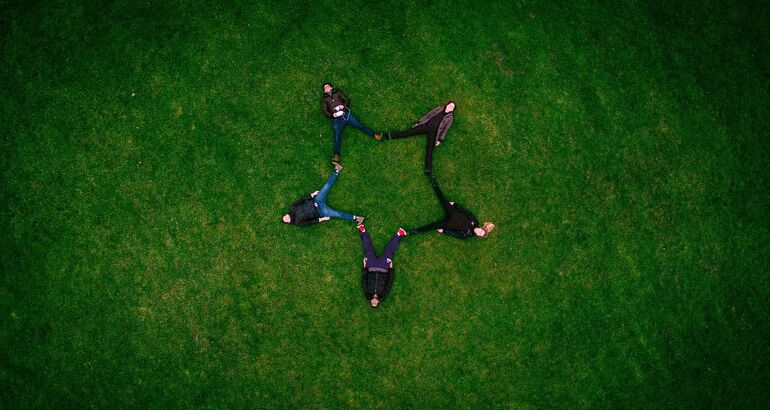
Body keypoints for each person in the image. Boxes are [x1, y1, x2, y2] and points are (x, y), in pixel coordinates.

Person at [408, 175, 495, 239]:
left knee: (433, 226)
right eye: (481, 231)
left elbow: (455, 234)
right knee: (442, 199)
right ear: (481, 228)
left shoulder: (467, 235)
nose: (478, 232)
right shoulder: (475, 221)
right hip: (453, 212)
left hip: (449, 224)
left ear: (478, 235)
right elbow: (466, 211)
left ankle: (415, 231)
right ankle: (433, 182)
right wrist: (455, 205)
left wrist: (444, 231)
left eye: (479, 234)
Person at [382, 101, 456, 175]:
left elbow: (445, 129)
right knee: (408, 133)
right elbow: (428, 115)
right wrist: (419, 122)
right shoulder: (438, 108)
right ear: (447, 104)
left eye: (452, 107)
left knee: (429, 150)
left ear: (452, 110)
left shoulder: (450, 118)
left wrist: (440, 139)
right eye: (450, 105)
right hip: (425, 126)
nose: (450, 107)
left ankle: (428, 169)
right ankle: (390, 135)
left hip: (434, 133)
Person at [282, 163, 364, 226]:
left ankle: (337, 170)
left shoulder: (293, 208)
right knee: (337, 214)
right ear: (288, 222)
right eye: (285, 220)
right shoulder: (298, 222)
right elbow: (311, 222)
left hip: (316, 200)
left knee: (326, 187)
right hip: (321, 211)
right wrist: (323, 219)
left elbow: (302, 200)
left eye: (284, 216)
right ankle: (357, 218)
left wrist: (312, 194)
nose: (286, 217)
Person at [321, 83, 382, 165]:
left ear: (331, 87)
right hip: (336, 119)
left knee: (359, 125)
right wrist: (332, 115)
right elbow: (325, 111)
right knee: (337, 135)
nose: (327, 87)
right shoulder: (324, 99)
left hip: (345, 114)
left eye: (328, 86)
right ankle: (336, 155)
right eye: (325, 87)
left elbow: (346, 99)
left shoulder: (338, 92)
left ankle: (375, 135)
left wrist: (343, 105)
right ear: (325, 91)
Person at [358, 224, 407, 308]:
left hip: (371, 267)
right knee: (389, 251)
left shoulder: (367, 292)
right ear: (378, 302)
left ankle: (362, 230)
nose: (373, 301)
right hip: (383, 267)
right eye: (375, 303)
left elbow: (364, 279)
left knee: (368, 250)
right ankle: (399, 233)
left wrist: (364, 266)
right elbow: (389, 282)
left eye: (372, 303)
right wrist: (391, 269)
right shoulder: (384, 294)